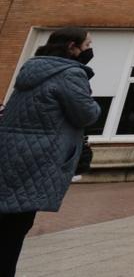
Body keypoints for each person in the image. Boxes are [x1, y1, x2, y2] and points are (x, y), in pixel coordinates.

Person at [0, 27, 101, 277]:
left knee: (6, 222)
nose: (90, 50)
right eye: (87, 45)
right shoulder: (70, 74)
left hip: (11, 154)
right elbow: (87, 114)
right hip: (38, 159)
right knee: (15, 229)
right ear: (72, 47)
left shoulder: (32, 69)